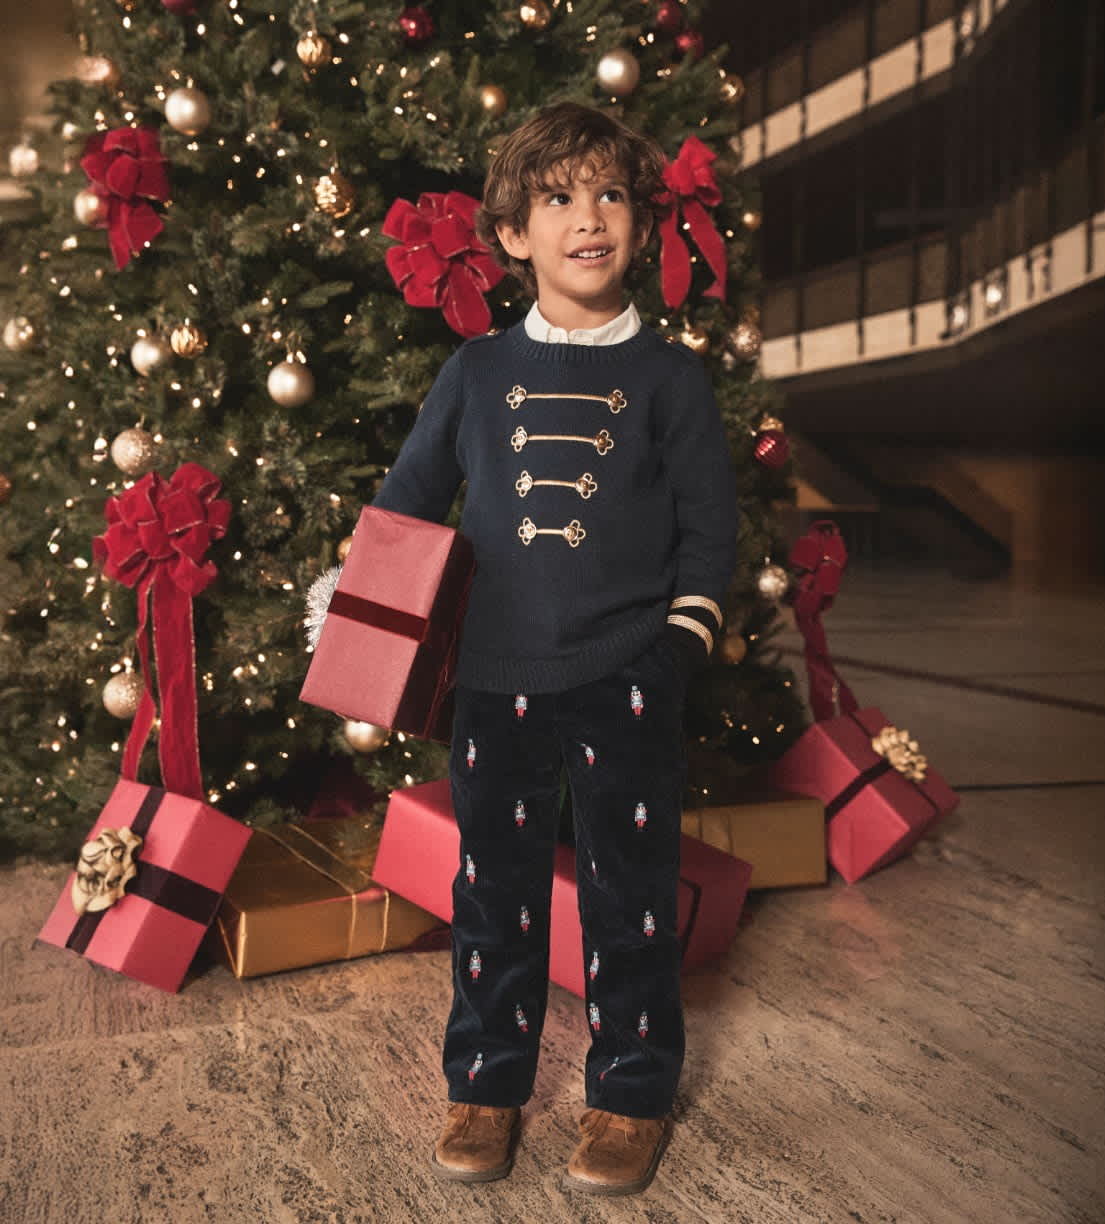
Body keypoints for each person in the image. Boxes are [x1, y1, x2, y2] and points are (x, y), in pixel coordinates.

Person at [371, 100, 738, 1196]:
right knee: (495, 892)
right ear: (514, 235)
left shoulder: (673, 381)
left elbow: (710, 531)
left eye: (612, 195)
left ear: (642, 226)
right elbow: (406, 502)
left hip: (627, 675)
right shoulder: (475, 375)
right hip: (495, 679)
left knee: (629, 894)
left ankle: (630, 1092)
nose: (590, 219)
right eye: (559, 198)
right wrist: (369, 612)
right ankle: (486, 1083)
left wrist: (674, 649)